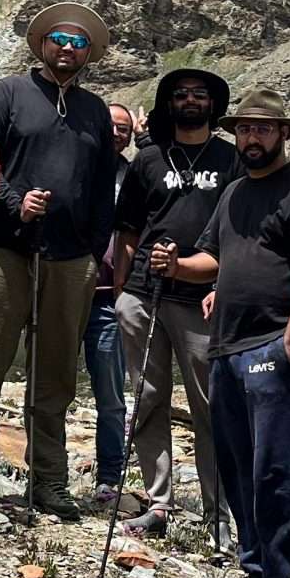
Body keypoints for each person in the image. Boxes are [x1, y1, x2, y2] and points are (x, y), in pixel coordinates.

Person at [0, 1, 121, 518]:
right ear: (42, 45)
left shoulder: (93, 109)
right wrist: (14, 200)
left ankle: (49, 478)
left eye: (78, 42)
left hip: (71, 260)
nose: (67, 48)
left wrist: (93, 249)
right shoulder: (9, 93)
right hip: (7, 246)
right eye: (59, 40)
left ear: (89, 53)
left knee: (57, 371)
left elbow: (101, 186)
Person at [169, 91, 290, 578]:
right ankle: (255, 568)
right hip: (225, 346)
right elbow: (212, 259)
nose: (252, 139)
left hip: (271, 346)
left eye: (263, 130)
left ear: (283, 134)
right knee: (238, 463)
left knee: (277, 468)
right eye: (244, 129)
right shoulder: (235, 192)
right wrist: (174, 265)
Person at [109, 67, 236, 540]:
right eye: (180, 94)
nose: (189, 101)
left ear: (213, 104)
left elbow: (238, 232)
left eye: (199, 94)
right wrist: (123, 291)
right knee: (146, 398)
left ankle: (217, 512)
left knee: (210, 406)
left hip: (202, 298)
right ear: (168, 104)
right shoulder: (148, 159)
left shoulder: (231, 159)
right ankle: (158, 504)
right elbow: (128, 230)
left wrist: (223, 285)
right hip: (144, 295)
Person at [84, 101, 138, 506]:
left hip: (109, 298)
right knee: (51, 384)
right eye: (111, 126)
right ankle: (46, 470)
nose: (118, 133)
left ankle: (109, 476)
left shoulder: (134, 176)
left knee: (110, 392)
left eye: (125, 129)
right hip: (67, 292)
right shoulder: (78, 165)